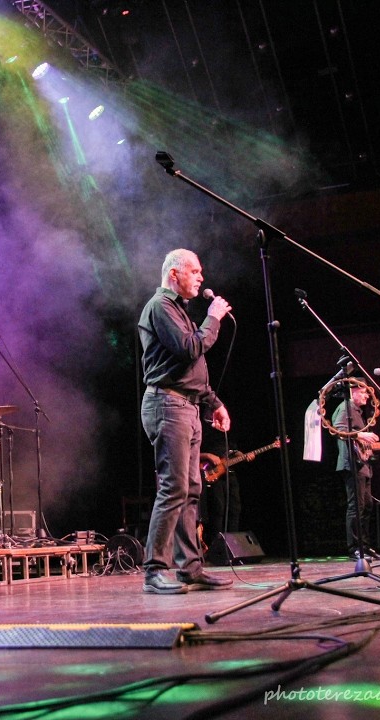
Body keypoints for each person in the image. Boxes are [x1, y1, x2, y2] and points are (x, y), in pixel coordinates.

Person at [137, 249, 235, 594]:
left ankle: (190, 568)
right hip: (168, 404)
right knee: (174, 487)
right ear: (174, 274)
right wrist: (214, 318)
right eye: (195, 271)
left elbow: (191, 370)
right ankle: (154, 570)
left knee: (192, 489)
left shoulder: (178, 310)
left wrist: (214, 403)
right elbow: (190, 349)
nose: (201, 277)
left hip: (188, 407)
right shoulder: (161, 307)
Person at [333, 381, 380, 559]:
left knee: (367, 505)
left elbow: (361, 445)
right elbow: (338, 430)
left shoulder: (358, 412)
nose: (367, 396)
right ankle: (354, 548)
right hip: (352, 465)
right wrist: (361, 434)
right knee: (356, 506)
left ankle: (364, 546)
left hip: (363, 465)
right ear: (353, 392)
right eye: (363, 393)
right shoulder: (346, 408)